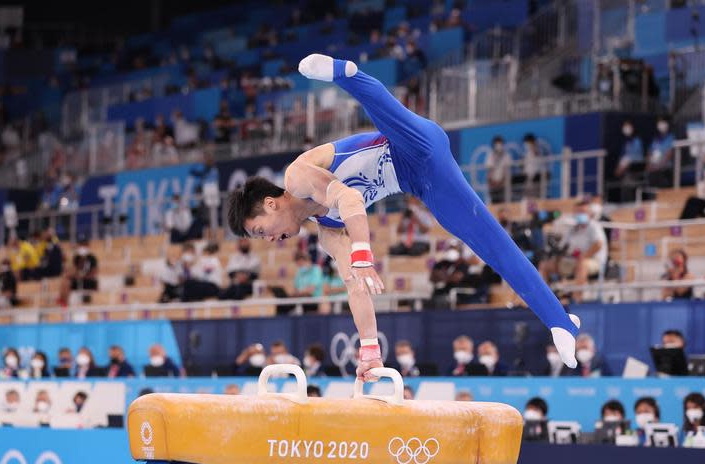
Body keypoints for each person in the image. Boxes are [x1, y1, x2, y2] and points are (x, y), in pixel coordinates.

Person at [227, 54, 581, 382]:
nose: (270, 240)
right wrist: (369, 350)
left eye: (261, 231)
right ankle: (560, 321)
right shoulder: (328, 233)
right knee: (487, 240)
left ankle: (344, 72)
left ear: (271, 204)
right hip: (419, 180)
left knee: (383, 112)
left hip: (410, 143)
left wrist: (363, 253)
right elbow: (355, 286)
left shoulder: (297, 177)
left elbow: (348, 197)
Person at [539, 200, 607, 301]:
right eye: (577, 212)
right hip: (572, 261)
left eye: (582, 212)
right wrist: (558, 256)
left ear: (589, 213)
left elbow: (598, 244)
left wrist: (583, 256)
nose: (579, 214)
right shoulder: (572, 229)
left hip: (594, 262)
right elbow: (563, 247)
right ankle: (546, 298)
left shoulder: (594, 226)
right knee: (545, 265)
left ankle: (577, 298)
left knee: (581, 264)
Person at [59, 239, 98, 306]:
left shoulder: (92, 258)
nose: (82, 248)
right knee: (66, 281)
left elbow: (94, 273)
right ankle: (63, 302)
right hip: (79, 280)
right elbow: (75, 270)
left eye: (84, 245)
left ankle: (64, 302)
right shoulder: (77, 258)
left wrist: (83, 276)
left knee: (68, 281)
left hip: (88, 281)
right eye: (81, 245)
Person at [647, 117, 674, 187]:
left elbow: (669, 153)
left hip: (665, 171)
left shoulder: (671, 137)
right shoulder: (656, 139)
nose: (661, 125)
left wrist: (660, 166)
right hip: (653, 170)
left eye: (662, 122)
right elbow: (650, 152)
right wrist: (649, 165)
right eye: (659, 123)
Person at [485, 135, 512, 202]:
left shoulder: (507, 156)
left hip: (503, 185)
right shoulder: (490, 155)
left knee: (503, 202)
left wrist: (501, 182)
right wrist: (491, 182)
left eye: (500, 144)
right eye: (497, 144)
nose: (498, 146)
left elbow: (507, 171)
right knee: (493, 202)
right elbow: (489, 170)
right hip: (493, 185)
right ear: (494, 145)